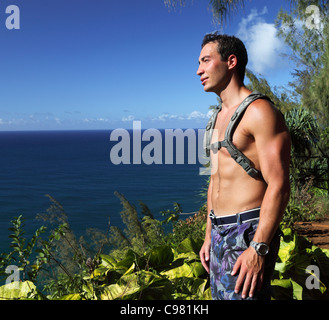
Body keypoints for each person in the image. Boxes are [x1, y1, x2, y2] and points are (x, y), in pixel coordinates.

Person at [197, 32, 291, 300]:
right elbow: (215, 181)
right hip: (218, 233)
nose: (198, 70)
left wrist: (259, 248)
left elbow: (280, 183)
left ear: (231, 61)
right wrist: (208, 235)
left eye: (205, 60)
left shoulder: (260, 112)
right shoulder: (215, 118)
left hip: (247, 233)